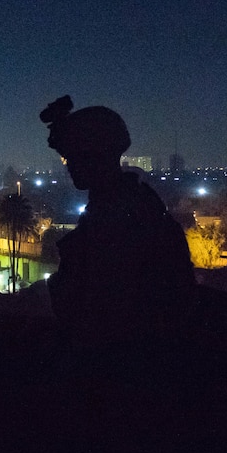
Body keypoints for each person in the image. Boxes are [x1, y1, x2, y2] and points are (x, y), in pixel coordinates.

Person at [39, 95, 195, 354]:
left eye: (74, 156)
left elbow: (99, 306)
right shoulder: (133, 204)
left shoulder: (121, 216)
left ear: (95, 155)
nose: (69, 166)